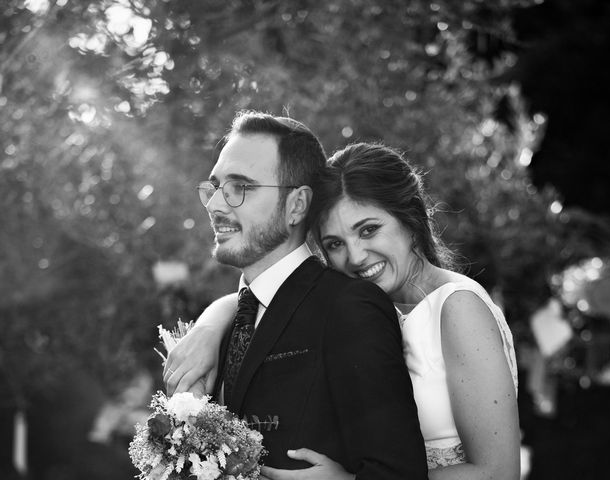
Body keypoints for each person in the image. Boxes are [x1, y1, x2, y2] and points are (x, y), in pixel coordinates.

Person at [166, 141, 521, 479]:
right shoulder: (361, 313)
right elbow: (266, 297)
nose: (355, 256)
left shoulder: (457, 308)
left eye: (368, 230)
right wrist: (212, 323)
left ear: (410, 218)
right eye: (335, 244)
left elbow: (497, 473)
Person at [172, 111, 429, 479]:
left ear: (296, 205)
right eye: (214, 187)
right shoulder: (222, 326)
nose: (215, 205)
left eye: (240, 187)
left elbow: (400, 472)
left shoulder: (349, 308)